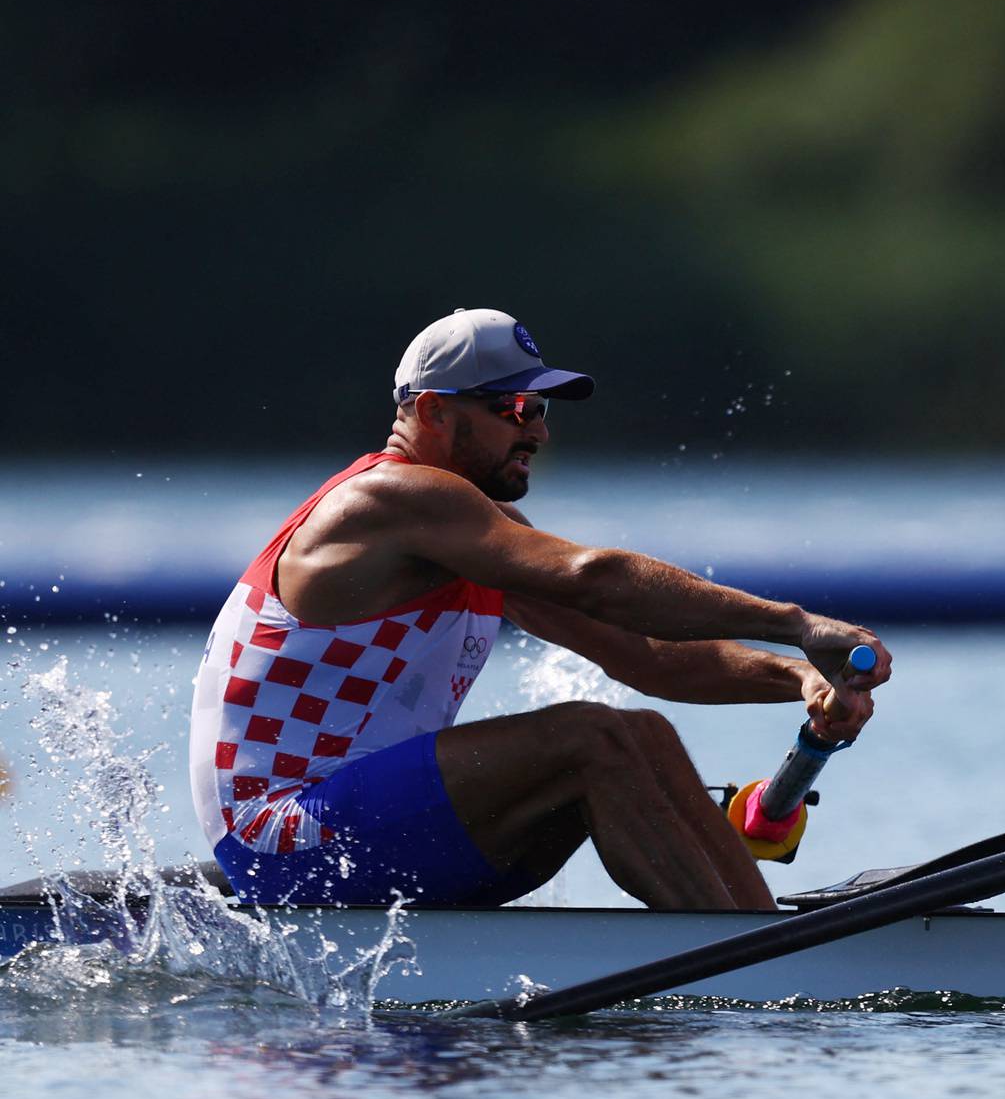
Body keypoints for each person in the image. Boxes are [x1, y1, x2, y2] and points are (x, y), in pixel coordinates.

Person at [187, 307, 890, 910]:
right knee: (595, 739)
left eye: (541, 411)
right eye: (515, 410)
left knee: (642, 733)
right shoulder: (389, 500)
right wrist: (798, 625)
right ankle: (752, 959)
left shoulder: (467, 535)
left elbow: (643, 655)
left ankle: (755, 933)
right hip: (281, 838)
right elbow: (596, 577)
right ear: (433, 409)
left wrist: (797, 677)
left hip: (361, 829)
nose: (539, 433)